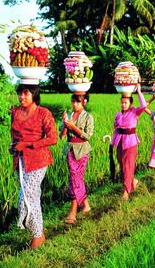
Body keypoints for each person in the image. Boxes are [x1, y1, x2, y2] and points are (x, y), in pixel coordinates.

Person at [10, 84, 57, 249]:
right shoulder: (15, 112)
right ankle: (39, 234)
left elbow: (53, 138)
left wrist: (28, 144)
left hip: (38, 161)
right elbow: (14, 135)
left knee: (25, 199)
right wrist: (13, 146)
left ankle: (37, 235)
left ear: (34, 94)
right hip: (20, 161)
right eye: (20, 93)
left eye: (26, 93)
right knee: (33, 198)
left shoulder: (43, 113)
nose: (21, 97)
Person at [60, 93, 94, 224]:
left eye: (78, 102)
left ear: (84, 102)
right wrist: (64, 125)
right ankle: (85, 204)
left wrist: (73, 127)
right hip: (70, 149)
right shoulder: (68, 115)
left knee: (76, 177)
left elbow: (87, 136)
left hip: (82, 150)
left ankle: (73, 210)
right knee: (74, 177)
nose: (75, 104)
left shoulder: (88, 117)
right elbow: (62, 136)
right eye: (73, 102)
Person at [111, 83, 147, 201]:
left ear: (130, 103)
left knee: (128, 166)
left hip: (130, 142)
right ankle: (133, 181)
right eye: (122, 102)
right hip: (120, 141)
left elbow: (144, 105)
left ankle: (126, 191)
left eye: (125, 103)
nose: (123, 104)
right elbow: (115, 127)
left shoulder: (135, 112)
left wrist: (139, 92)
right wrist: (113, 141)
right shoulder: (118, 114)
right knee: (122, 165)